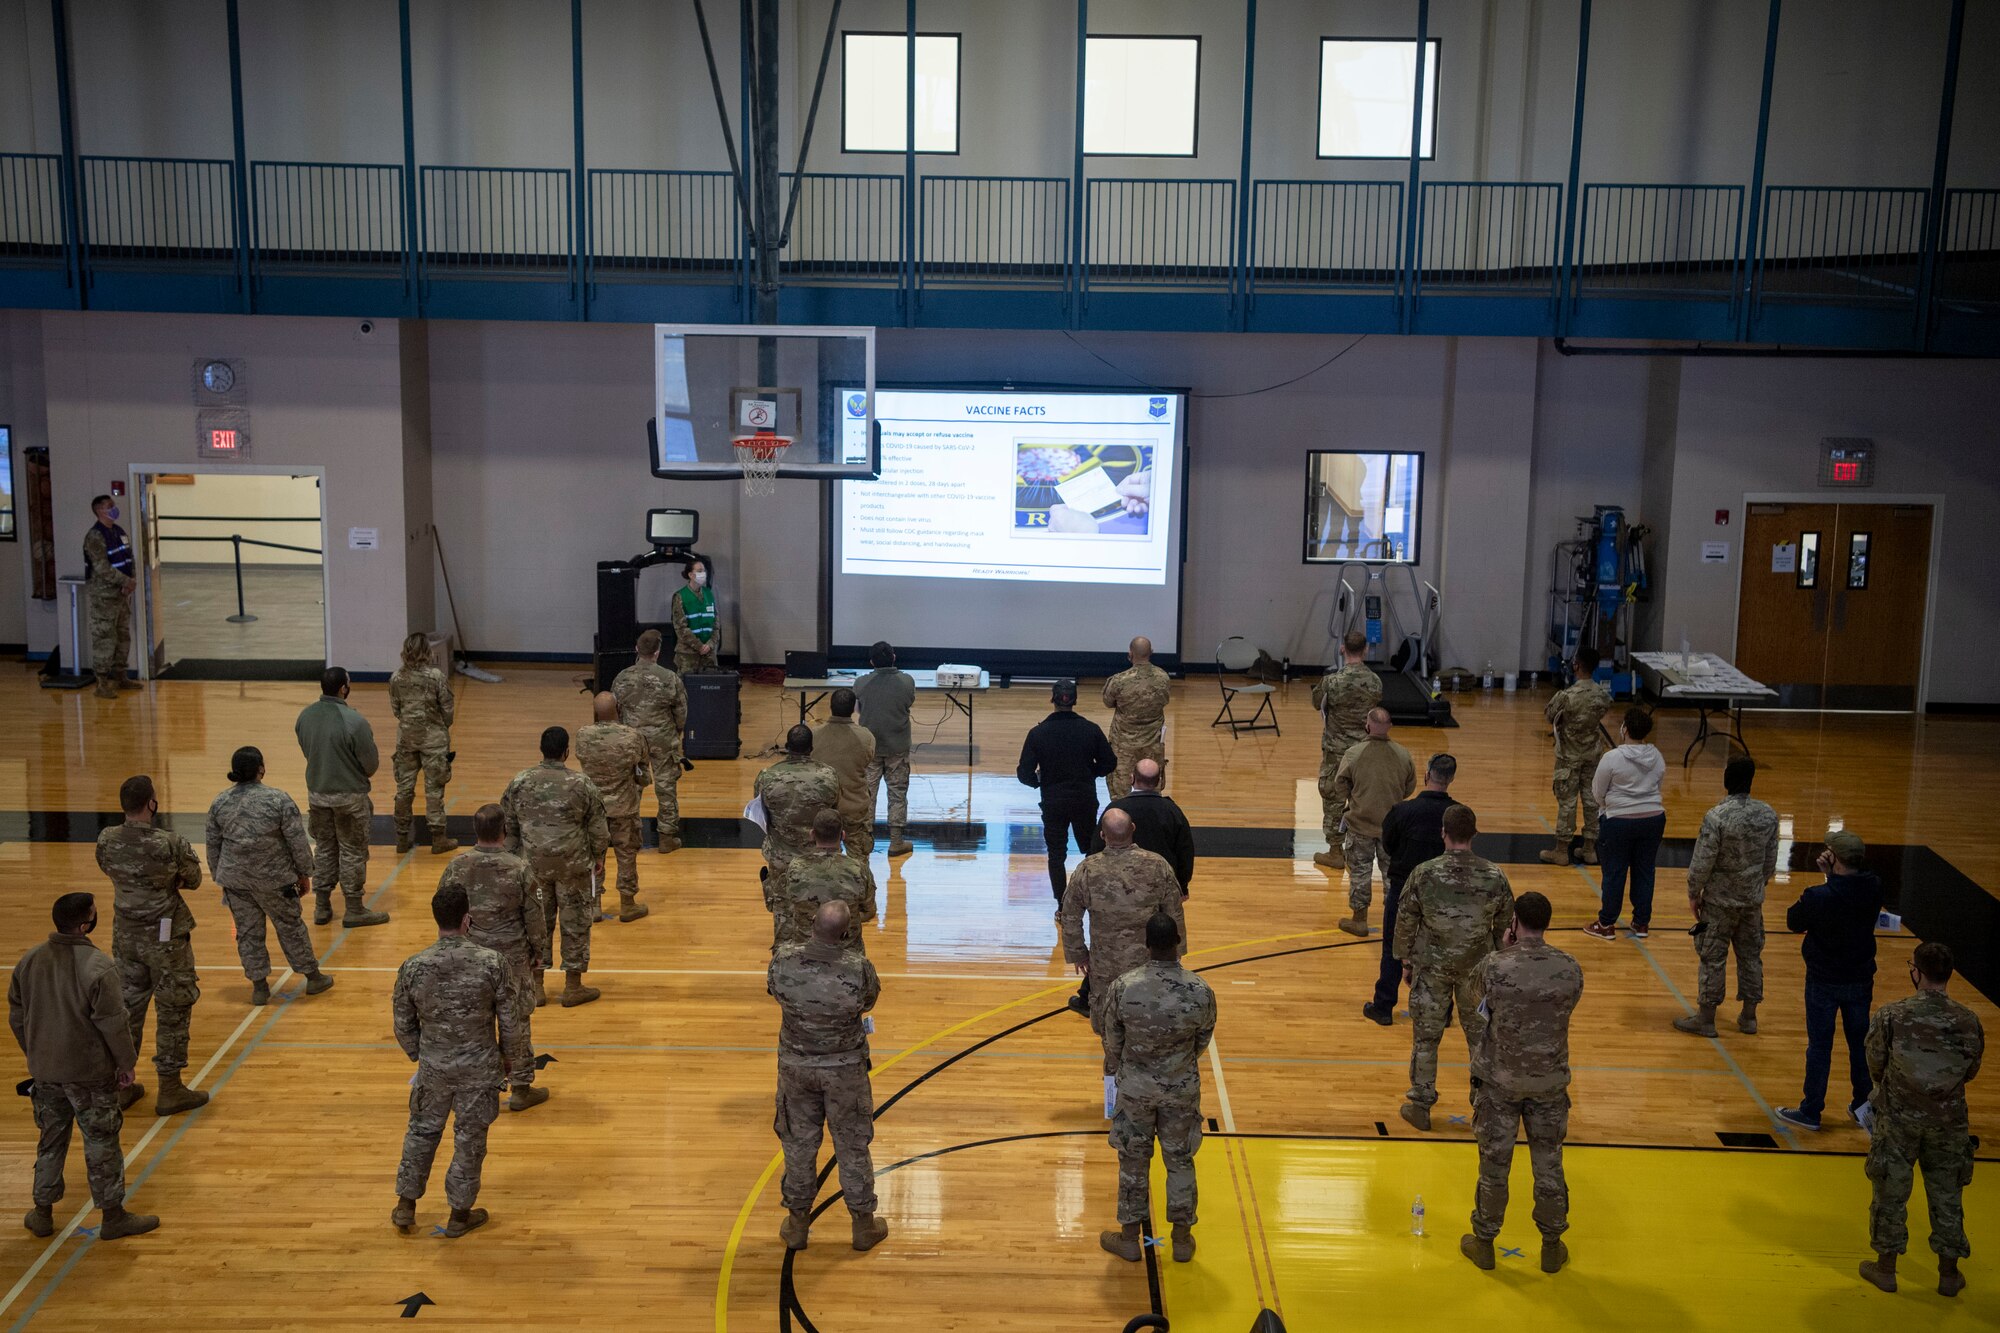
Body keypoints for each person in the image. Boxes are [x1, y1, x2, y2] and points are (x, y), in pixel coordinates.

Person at [11, 892, 159, 1240]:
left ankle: (42, 1212)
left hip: (46, 1072)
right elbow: (114, 1023)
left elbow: (17, 1017)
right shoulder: (98, 966)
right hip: (90, 1074)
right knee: (101, 1142)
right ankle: (113, 1215)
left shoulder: (30, 960)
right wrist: (125, 1064)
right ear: (84, 924)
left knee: (50, 1141)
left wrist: (36, 1054)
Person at [1460, 891, 1583, 1274]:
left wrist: (1505, 949)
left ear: (1514, 922)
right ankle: (1551, 1245)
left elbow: (1475, 1000)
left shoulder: (1496, 965)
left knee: (1495, 1164)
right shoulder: (1569, 967)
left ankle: (1484, 1243)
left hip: (1500, 1080)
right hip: (1549, 1082)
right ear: (1546, 923)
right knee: (1549, 1163)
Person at [390, 883, 522, 1239]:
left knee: (421, 1132)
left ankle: (406, 1204)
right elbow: (511, 1019)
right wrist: (509, 1058)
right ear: (468, 919)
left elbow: (402, 1022)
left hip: (433, 1068)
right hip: (479, 1069)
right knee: (470, 1139)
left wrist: (422, 1053)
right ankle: (459, 1215)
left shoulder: (413, 966)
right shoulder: (493, 963)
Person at [1858, 942, 1985, 1297]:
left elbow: (1875, 1062)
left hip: (1899, 1118)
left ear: (1917, 972)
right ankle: (1948, 1275)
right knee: (1947, 1192)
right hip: (1950, 1121)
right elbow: (1971, 1069)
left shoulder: (1892, 1015)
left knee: (1890, 1187)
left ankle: (1885, 1270)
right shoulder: (1968, 1020)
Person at [769, 900, 888, 1254]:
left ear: (812, 927)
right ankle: (862, 1227)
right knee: (852, 1146)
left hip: (796, 1068)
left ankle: (797, 1226)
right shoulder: (857, 968)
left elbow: (775, 992)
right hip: (845, 1070)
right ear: (846, 933)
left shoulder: (784, 960)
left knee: (799, 1146)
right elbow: (868, 1002)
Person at [1099, 910, 1215, 1266]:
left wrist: (1132, 1064)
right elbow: (1202, 1039)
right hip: (1180, 1088)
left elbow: (1111, 1041)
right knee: (1180, 1160)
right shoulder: (1199, 990)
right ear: (1177, 942)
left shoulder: (1124, 986)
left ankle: (1130, 1239)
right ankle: (1181, 1240)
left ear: (1146, 944)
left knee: (1133, 1161)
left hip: (1135, 1089)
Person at [1394, 804, 1514, 1131]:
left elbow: (1405, 920)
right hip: (1478, 970)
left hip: (1431, 966)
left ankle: (1420, 1105)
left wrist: (1406, 961)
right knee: (1480, 1040)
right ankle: (1484, 1110)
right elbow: (1505, 930)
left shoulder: (1424, 873)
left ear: (1443, 833)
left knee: (1426, 1038)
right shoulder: (1494, 876)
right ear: (1474, 834)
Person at [97, 775, 208, 1117]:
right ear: (152, 804)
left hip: (126, 936)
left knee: (127, 1008)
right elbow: (193, 879)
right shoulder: (169, 843)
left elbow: (108, 868)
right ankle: (171, 1088)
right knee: (173, 1007)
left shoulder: (107, 840)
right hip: (166, 940)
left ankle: (122, 1086)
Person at [438, 804, 550, 1112]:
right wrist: (539, 953)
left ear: (475, 831)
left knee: (476, 1020)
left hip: (469, 957)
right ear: (504, 831)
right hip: (512, 958)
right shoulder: (519, 868)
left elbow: (445, 908)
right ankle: (522, 1088)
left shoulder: (456, 866)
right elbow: (535, 917)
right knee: (517, 1019)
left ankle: (478, 1085)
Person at [204, 746, 334, 1006]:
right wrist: (305, 873)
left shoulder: (220, 802)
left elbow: (212, 845)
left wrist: (221, 877)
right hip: (276, 881)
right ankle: (313, 976)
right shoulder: (278, 800)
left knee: (247, 932)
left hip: (236, 882)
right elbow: (297, 842)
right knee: (291, 927)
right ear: (261, 769)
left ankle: (259, 987)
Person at [1776, 831, 1885, 1131]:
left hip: (1823, 981)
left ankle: (1811, 1111)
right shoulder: (1874, 887)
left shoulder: (1818, 896)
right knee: (1859, 1045)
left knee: (1820, 1047)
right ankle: (1863, 1107)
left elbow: (1793, 921)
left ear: (1833, 858)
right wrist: (1832, 877)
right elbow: (1850, 893)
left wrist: (1826, 880)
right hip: (1860, 979)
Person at [501, 727, 610, 1008]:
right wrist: (599, 857)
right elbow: (599, 829)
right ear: (566, 752)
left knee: (537, 923)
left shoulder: (521, 781)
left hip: (532, 866)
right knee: (575, 922)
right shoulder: (581, 784)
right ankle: (572, 987)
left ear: (541, 749)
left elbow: (508, 825)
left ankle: (536, 986)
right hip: (572, 865)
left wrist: (514, 857)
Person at [1674, 757, 1779, 1038]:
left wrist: (1694, 892)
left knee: (1712, 957)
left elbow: (1702, 861)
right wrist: (1755, 885)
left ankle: (1706, 1019)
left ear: (1726, 780)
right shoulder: (1768, 815)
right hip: (1752, 903)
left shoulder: (1717, 816)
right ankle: (1749, 1017)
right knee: (1751, 957)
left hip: (1719, 904)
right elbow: (1770, 861)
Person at [1060, 810, 1188, 1036]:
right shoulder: (1157, 865)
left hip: (1104, 966)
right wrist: (1175, 952)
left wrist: (1078, 953)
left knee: (1108, 1027)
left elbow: (1069, 914)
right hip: (1149, 963)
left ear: (1102, 835)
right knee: (1146, 1022)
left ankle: (1112, 1071)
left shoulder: (1088, 869)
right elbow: (1174, 912)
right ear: (1133, 829)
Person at [1364, 754, 1459, 1026]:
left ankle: (1383, 1007)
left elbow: (1389, 845)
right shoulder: (1456, 815)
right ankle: (1441, 1010)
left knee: (1392, 947)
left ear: (1426, 774)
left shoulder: (1402, 811)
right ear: (1451, 779)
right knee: (1439, 950)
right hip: (1441, 893)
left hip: (1404, 889)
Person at [294, 667, 387, 928]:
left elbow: (308, 751)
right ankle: (354, 909)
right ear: (343, 689)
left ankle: (322, 907)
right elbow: (370, 765)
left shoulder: (305, 717)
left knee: (324, 848)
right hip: (350, 798)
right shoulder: (354, 721)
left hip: (317, 795)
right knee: (353, 851)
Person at [1018, 679, 1117, 904]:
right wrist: (1091, 772)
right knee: (1091, 850)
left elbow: (1024, 774)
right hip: (1084, 799)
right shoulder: (1090, 730)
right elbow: (1110, 762)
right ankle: (1092, 898)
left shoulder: (1038, 733)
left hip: (1053, 801)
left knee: (1056, 854)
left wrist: (1039, 781)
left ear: (1052, 699)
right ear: (1075, 701)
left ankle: (1061, 905)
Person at [1331, 706, 1417, 937]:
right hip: (1392, 827)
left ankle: (1359, 920)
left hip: (1360, 825)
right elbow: (1409, 786)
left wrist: (1355, 797)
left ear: (1367, 726)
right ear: (1389, 727)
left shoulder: (1354, 754)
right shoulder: (1402, 754)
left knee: (1360, 873)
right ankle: (1394, 923)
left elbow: (1339, 785)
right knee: (1392, 874)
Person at [1582, 708, 1666, 942]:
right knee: (1645, 870)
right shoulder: (1656, 755)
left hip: (1618, 820)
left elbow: (1597, 791)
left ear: (1625, 729)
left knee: (1615, 871)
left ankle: (1606, 923)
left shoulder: (1612, 757)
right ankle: (1641, 923)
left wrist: (1610, 808)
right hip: (1653, 819)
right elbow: (1658, 784)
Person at [574, 692, 652, 923]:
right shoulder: (632, 737)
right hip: (624, 807)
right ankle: (627, 904)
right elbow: (644, 774)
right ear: (618, 708)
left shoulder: (583, 735)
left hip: (593, 808)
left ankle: (594, 905)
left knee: (594, 856)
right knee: (626, 854)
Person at [611, 630, 689, 854]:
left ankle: (631, 837)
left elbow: (614, 709)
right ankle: (667, 837)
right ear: (657, 652)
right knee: (666, 786)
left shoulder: (622, 677)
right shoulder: (669, 678)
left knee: (633, 787)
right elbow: (681, 711)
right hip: (663, 739)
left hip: (632, 740)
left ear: (637, 650)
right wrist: (676, 732)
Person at [1311, 629, 1381, 870]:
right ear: (1365, 650)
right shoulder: (1374, 682)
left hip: (1336, 750)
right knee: (1359, 798)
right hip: (1363, 751)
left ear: (1343, 649)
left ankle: (1335, 852)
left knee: (1333, 798)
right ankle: (1358, 850)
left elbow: (1314, 702)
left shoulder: (1332, 682)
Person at [1539, 646, 1613, 866]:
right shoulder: (1602, 695)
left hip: (1568, 756)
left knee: (1567, 802)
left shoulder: (1566, 696)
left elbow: (1548, 715)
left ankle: (1562, 851)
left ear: (1576, 665)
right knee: (1592, 800)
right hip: (1592, 754)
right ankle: (1590, 849)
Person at [388, 631, 458, 856]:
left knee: (404, 789)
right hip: (434, 740)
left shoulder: (397, 677)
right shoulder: (436, 676)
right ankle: (438, 838)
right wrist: (440, 725)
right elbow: (448, 710)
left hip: (407, 739)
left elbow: (396, 709)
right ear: (427, 652)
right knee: (434, 789)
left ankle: (401, 837)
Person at [769, 810, 874, 955]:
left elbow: (782, 907)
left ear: (812, 834)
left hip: (806, 951)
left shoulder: (795, 868)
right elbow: (868, 908)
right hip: (848, 953)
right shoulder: (858, 869)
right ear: (843, 835)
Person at [1094, 759, 1194, 896]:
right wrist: (1182, 886)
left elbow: (1096, 850)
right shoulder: (1172, 811)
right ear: (1159, 781)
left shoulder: (1115, 810)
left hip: (1120, 889)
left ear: (1132, 778)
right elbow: (1185, 852)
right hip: (1161, 888)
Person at [855, 641, 917, 858]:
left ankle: (865, 840)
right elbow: (908, 703)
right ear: (894, 657)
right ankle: (896, 842)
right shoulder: (907, 681)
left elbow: (859, 708)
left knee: (867, 794)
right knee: (897, 793)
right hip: (897, 748)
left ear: (871, 662)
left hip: (870, 748)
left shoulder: (860, 683)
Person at [755, 725, 842, 879]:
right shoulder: (829, 775)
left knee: (780, 900)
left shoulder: (767, 777)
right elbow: (833, 812)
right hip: (818, 857)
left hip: (781, 857)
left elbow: (761, 814)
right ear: (811, 748)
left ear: (787, 747)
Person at [813, 688, 878, 862]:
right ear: (853, 709)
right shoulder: (866, 737)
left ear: (830, 707)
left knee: (823, 860)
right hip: (854, 807)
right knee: (859, 861)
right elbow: (866, 762)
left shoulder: (814, 735)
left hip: (823, 808)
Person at [1102, 636, 1170, 800]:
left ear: (1130, 654)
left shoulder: (1119, 680)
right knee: (1150, 790)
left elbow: (1108, 702)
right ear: (1151, 652)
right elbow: (1165, 700)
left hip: (1124, 746)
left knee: (1121, 795)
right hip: (1152, 745)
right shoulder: (1163, 678)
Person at [83, 493, 137, 699]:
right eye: (109, 506)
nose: (114, 508)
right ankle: (102, 683)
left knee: (123, 635)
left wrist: (130, 582)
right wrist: (125, 582)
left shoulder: (118, 531)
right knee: (105, 637)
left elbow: (128, 558)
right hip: (104, 596)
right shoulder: (95, 536)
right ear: (99, 511)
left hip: (122, 594)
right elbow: (102, 567)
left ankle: (121, 676)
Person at [671, 557, 717, 675]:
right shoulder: (680, 596)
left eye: (704, 571)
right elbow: (681, 628)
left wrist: (710, 644)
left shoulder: (709, 594)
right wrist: (699, 646)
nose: (704, 574)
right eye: (700, 571)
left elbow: (716, 624)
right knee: (687, 688)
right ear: (691, 575)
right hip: (688, 655)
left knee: (710, 686)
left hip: (708, 654)